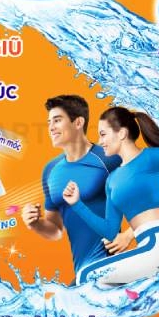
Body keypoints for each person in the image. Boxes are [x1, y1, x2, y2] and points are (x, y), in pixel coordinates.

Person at [62, 106, 159, 286]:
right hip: (147, 247)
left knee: (86, 276)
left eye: (103, 134)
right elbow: (110, 231)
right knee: (101, 287)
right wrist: (77, 204)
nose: (100, 141)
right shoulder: (112, 180)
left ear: (122, 133)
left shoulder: (150, 158)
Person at [21, 95, 133, 281]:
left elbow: (156, 203)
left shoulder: (109, 159)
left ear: (78, 122)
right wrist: (35, 223)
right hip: (83, 274)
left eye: (57, 120)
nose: (50, 127)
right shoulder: (50, 170)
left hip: (111, 269)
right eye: (49, 122)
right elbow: (55, 230)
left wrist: (128, 235)